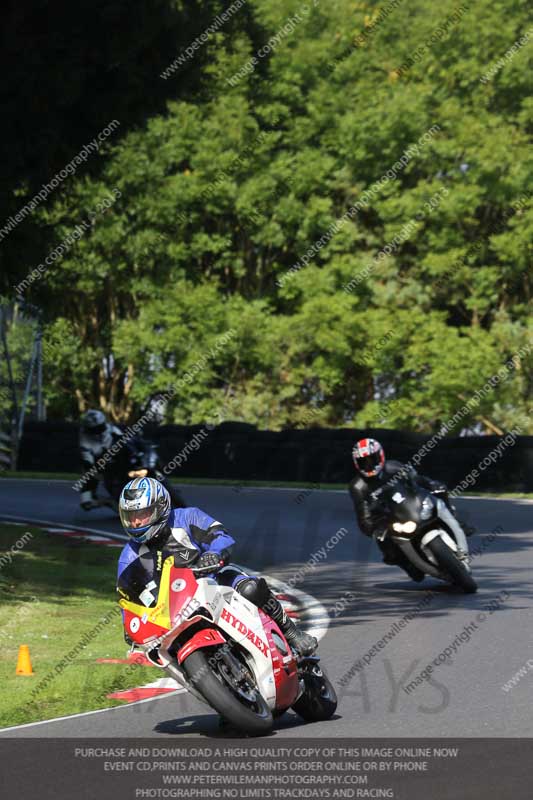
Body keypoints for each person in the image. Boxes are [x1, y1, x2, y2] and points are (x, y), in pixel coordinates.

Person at [117, 476, 317, 656]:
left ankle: (292, 632)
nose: (135, 522)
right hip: (174, 609)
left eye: (141, 514)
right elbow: (127, 597)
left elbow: (220, 535)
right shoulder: (129, 555)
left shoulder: (187, 517)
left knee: (250, 588)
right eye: (130, 516)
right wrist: (130, 626)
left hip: (213, 580)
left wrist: (213, 554)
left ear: (160, 507)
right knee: (165, 653)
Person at [349, 437, 467, 581]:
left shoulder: (394, 467)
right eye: (364, 462)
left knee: (439, 492)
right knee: (386, 545)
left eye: (371, 459)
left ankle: (455, 521)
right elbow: (363, 516)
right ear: (357, 464)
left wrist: (431, 484)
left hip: (410, 505)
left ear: (380, 456)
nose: (368, 465)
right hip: (388, 518)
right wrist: (374, 528)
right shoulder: (358, 486)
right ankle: (407, 564)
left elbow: (417, 479)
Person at [78, 409, 184, 510]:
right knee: (88, 494)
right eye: (94, 429)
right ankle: (104, 500)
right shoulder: (85, 440)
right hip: (108, 467)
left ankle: (166, 486)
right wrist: (96, 467)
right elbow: (87, 459)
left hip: (126, 461)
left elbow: (131, 440)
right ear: (88, 429)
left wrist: (142, 448)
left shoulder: (112, 429)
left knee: (148, 460)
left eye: (99, 427)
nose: (97, 431)